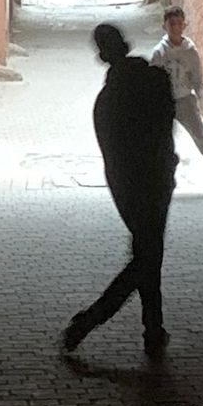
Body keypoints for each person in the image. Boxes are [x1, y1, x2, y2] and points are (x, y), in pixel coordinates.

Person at [63, 24, 177, 355]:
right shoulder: (156, 80)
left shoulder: (107, 101)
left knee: (147, 253)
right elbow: (167, 124)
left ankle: (140, 326)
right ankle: (139, 327)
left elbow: (113, 154)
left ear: (102, 55)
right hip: (158, 179)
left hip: (129, 187)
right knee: (149, 254)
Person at [151, 6, 203, 192]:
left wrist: (202, 94)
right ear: (164, 26)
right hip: (164, 103)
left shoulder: (190, 52)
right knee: (160, 143)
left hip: (185, 100)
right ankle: (158, 183)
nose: (175, 28)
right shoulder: (159, 53)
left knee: (202, 139)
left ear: (184, 25)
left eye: (179, 24)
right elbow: (152, 81)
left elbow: (197, 78)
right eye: (172, 24)